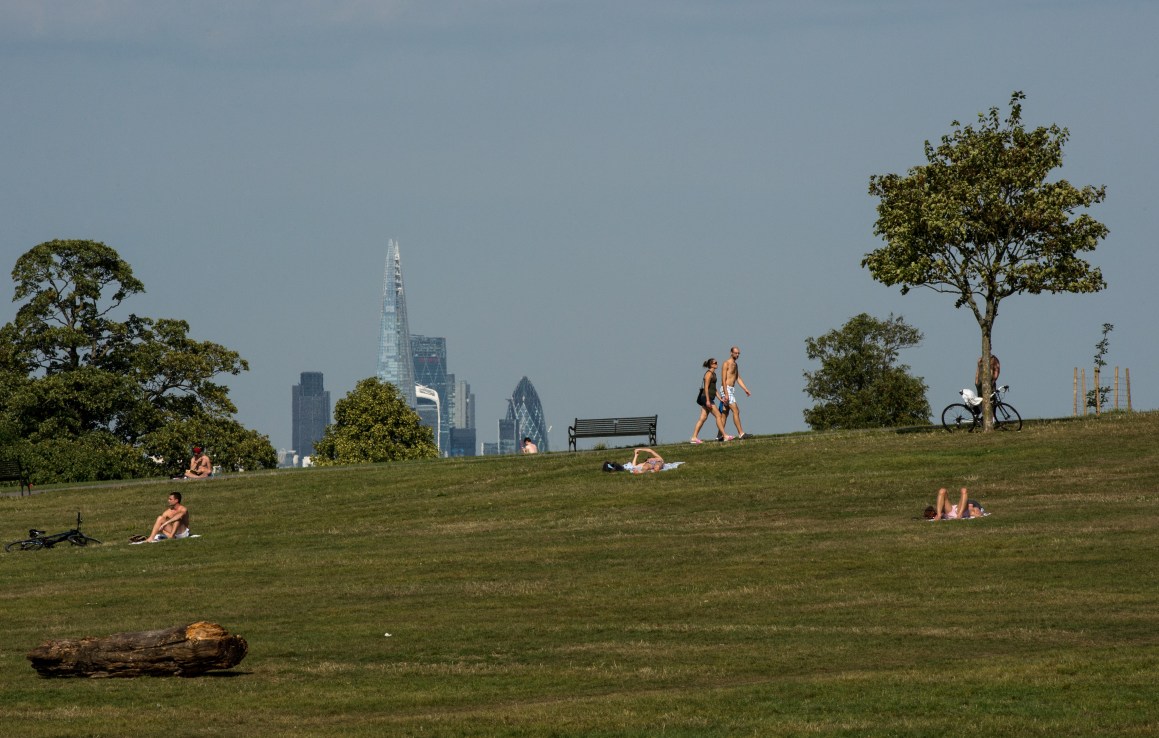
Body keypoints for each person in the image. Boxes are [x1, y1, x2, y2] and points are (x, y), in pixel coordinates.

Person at [691, 358, 731, 443]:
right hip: (706, 398)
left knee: (703, 418)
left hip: (708, 398)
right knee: (718, 416)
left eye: (717, 362)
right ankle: (725, 435)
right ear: (711, 365)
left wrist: (721, 399)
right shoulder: (708, 374)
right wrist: (708, 401)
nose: (717, 364)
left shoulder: (714, 374)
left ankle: (694, 437)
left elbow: (714, 389)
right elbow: (706, 387)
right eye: (715, 363)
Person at [721, 346, 752, 439]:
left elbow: (737, 378)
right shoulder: (726, 363)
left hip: (731, 390)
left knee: (725, 413)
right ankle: (741, 433)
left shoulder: (735, 365)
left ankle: (719, 436)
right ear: (731, 353)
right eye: (736, 353)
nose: (737, 355)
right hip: (726, 389)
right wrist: (726, 393)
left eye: (738, 353)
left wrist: (745, 389)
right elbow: (723, 379)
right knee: (736, 410)